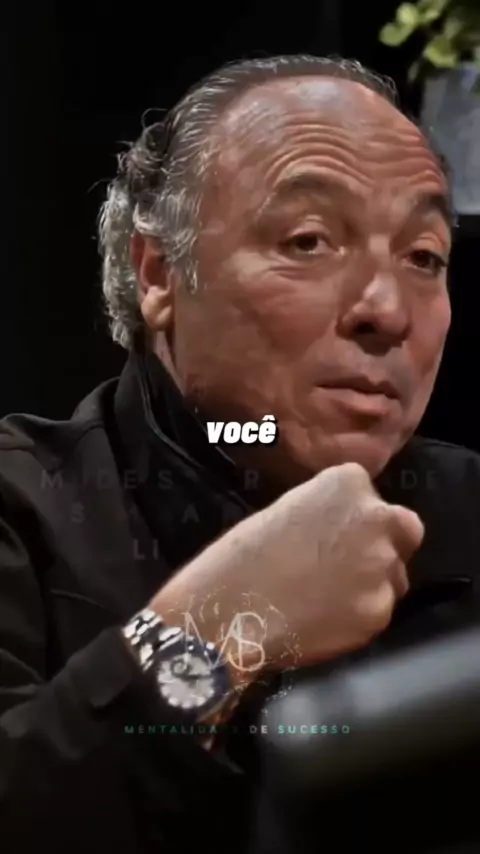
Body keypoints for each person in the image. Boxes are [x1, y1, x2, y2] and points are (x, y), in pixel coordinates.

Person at [0, 54, 479, 854]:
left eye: (424, 255)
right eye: (309, 240)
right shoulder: (23, 508)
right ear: (159, 273)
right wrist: (219, 627)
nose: (388, 309)